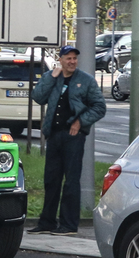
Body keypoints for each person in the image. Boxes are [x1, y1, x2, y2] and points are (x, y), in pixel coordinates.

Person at [27, 45, 106, 236]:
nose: (72, 62)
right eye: (68, 58)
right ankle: (47, 222)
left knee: (71, 181)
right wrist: (51, 77)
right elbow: (37, 97)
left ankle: (69, 224)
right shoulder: (54, 78)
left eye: (74, 59)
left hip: (73, 136)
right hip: (54, 135)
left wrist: (80, 122)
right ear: (60, 60)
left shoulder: (85, 81)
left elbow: (99, 107)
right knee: (51, 180)